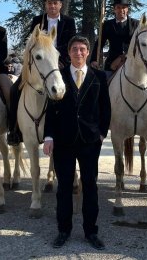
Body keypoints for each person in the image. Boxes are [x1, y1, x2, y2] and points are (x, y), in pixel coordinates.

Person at [43, 35, 111, 251]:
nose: (78, 53)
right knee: (64, 187)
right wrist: (49, 136)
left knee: (90, 186)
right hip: (64, 140)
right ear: (68, 53)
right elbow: (51, 110)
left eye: (82, 49)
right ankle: (64, 230)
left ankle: (91, 231)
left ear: (88, 52)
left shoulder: (99, 76)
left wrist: (101, 134)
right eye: (74, 49)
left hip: (90, 141)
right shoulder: (59, 76)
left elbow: (105, 109)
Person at [7, 0, 77, 145]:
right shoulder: (38, 21)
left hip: (60, 64)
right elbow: (31, 43)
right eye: (49, 3)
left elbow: (71, 43)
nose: (52, 6)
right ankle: (14, 130)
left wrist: (59, 60)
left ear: (60, 5)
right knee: (14, 90)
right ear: (45, 5)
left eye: (55, 3)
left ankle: (72, 129)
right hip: (39, 65)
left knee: (72, 92)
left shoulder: (69, 21)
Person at [91, 0, 147, 129]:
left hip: (135, 62)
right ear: (114, 9)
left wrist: (125, 56)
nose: (121, 10)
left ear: (127, 9)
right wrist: (94, 59)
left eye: (123, 8)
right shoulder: (107, 25)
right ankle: (99, 115)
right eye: (118, 8)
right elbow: (99, 43)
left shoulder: (136, 24)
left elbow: (141, 42)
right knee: (101, 85)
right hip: (112, 63)